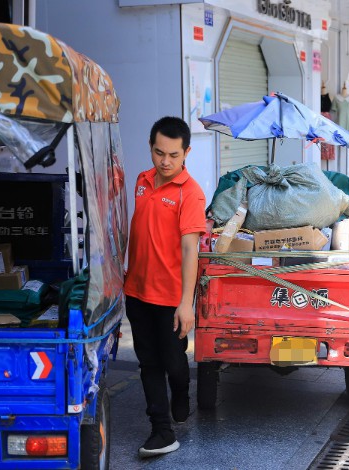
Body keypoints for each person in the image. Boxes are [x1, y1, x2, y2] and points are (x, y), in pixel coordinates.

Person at [124, 116, 207, 457]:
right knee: (149, 363)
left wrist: (186, 304)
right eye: (159, 153)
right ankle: (161, 430)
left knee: (173, 362)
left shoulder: (191, 193)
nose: (165, 161)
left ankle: (182, 390)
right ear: (151, 147)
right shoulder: (142, 181)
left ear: (186, 152)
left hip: (171, 297)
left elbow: (191, 250)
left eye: (174, 154)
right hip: (137, 291)